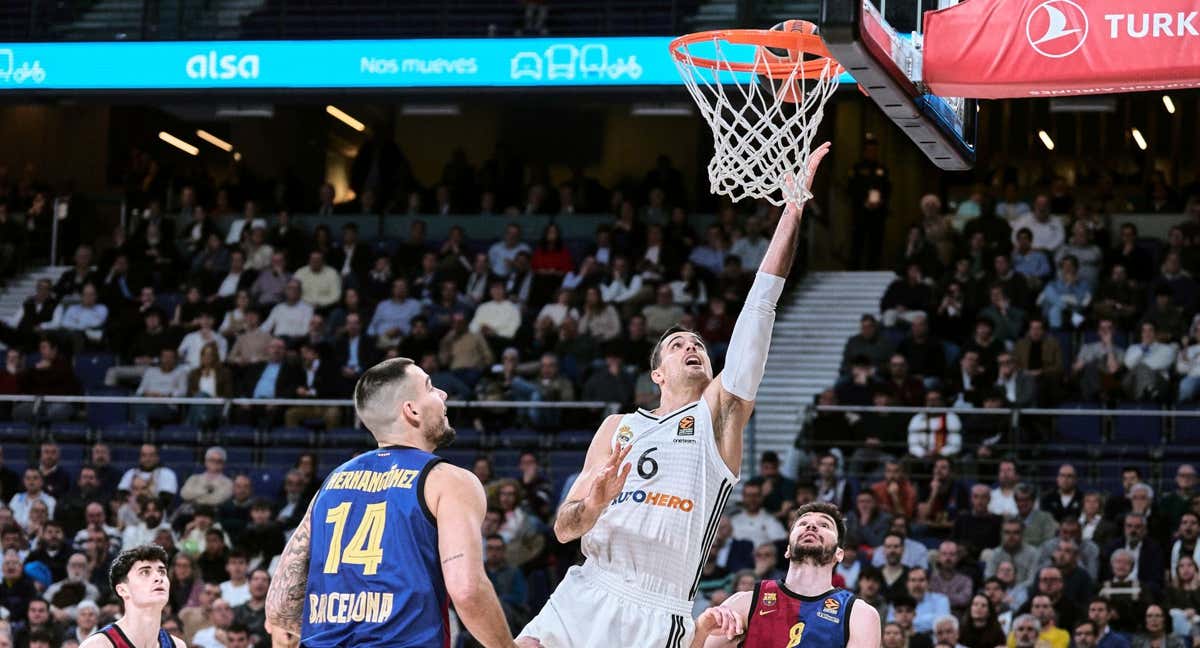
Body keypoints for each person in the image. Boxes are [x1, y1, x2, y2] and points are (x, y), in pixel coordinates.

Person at [517, 144, 832, 648]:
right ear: (657, 373)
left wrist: (792, 211)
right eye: (677, 345)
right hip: (589, 585)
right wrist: (593, 506)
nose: (691, 348)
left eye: (699, 345)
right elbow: (563, 530)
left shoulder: (719, 416)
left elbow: (760, 306)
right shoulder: (617, 427)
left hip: (658, 609)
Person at [263, 358, 519, 647]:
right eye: (431, 388)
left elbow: (279, 606)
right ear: (411, 410)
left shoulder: (332, 482)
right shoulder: (448, 480)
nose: (443, 395)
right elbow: (467, 590)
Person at [689, 502, 880, 648]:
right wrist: (703, 628)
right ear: (788, 549)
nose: (811, 526)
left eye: (824, 525)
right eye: (803, 523)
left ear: (839, 553)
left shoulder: (859, 614)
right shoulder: (744, 603)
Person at [79, 544, 185, 648]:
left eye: (162, 572)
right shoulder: (98, 645)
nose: (158, 578)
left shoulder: (177, 645)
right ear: (123, 590)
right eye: (145, 572)